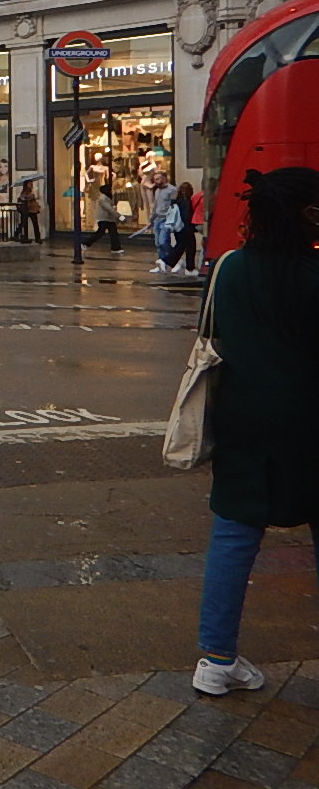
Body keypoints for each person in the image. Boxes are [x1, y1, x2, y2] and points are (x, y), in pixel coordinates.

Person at [192, 166, 319, 697]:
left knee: (234, 536)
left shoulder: (229, 270)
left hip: (243, 419)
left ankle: (216, 659)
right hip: (312, 423)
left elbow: (210, 337)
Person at [149, 173, 180, 273]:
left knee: (163, 241)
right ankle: (161, 264)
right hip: (158, 218)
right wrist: (151, 219)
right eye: (155, 180)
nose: (156, 181)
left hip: (167, 219)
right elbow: (156, 206)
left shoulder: (172, 190)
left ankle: (173, 260)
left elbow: (174, 206)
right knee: (158, 243)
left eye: (158, 179)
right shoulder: (157, 190)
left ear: (164, 178)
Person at [172, 180, 200, 274]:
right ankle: (189, 268)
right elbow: (187, 216)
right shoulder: (186, 202)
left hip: (177, 228)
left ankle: (168, 263)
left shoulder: (177, 201)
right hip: (186, 228)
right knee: (191, 248)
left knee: (180, 247)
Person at [89, 183, 124, 252]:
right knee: (100, 233)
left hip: (109, 219)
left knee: (112, 233)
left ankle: (115, 248)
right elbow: (109, 209)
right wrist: (120, 217)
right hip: (104, 219)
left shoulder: (107, 198)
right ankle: (86, 243)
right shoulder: (103, 198)